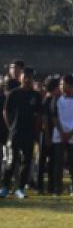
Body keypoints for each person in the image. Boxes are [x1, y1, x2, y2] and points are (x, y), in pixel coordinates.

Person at [2, 68, 42, 199]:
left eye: (30, 77)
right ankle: (5, 187)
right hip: (15, 133)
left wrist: (36, 131)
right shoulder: (13, 94)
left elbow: (38, 115)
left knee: (27, 161)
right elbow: (6, 112)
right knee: (11, 161)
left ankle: (20, 188)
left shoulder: (36, 96)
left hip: (29, 134)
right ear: (21, 78)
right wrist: (10, 127)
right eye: (25, 77)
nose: (27, 80)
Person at [51, 74, 73, 197]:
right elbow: (54, 117)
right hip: (59, 135)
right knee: (58, 163)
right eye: (60, 84)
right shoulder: (57, 99)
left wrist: (72, 132)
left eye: (63, 84)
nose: (61, 87)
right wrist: (62, 132)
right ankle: (57, 188)